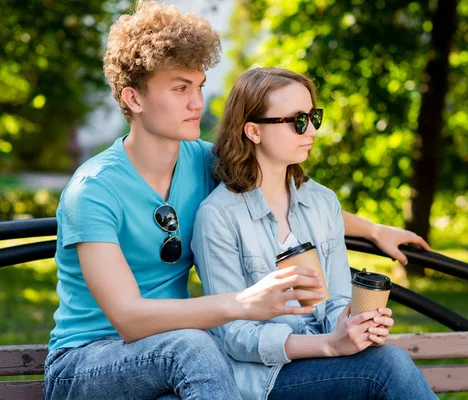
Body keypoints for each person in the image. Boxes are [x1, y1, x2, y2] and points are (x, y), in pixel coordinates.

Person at [45, 1, 429, 399]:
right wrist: (243, 303)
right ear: (134, 99)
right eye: (180, 88)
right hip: (88, 363)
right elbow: (128, 319)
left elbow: (283, 193)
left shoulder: (202, 162)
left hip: (177, 360)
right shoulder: (92, 190)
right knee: (194, 344)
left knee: (384, 365)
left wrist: (374, 230)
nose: (197, 102)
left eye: (199, 86)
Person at [192, 68, 436, 400]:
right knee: (387, 367)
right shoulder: (218, 215)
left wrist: (354, 325)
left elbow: (335, 299)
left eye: (313, 116)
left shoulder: (322, 202)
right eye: (297, 121)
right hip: (263, 378)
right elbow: (234, 334)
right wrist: (328, 345)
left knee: (385, 360)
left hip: (326, 361)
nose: (312, 131)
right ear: (253, 131)